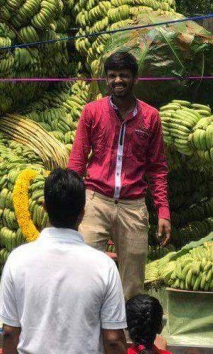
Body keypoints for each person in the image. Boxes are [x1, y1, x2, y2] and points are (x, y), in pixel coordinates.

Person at [68, 50, 171, 299]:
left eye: (123, 76)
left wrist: (163, 211)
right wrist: (69, 203)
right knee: (83, 271)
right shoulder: (92, 112)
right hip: (95, 201)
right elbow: (78, 159)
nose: (117, 81)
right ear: (106, 79)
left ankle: (127, 335)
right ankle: (86, 330)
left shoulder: (150, 117)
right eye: (112, 76)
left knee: (133, 281)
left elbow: (157, 168)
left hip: (133, 206)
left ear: (135, 79)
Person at [0, 168, 127, 354]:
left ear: (44, 208)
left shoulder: (18, 260)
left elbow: (9, 333)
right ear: (82, 213)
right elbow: (113, 340)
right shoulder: (104, 266)